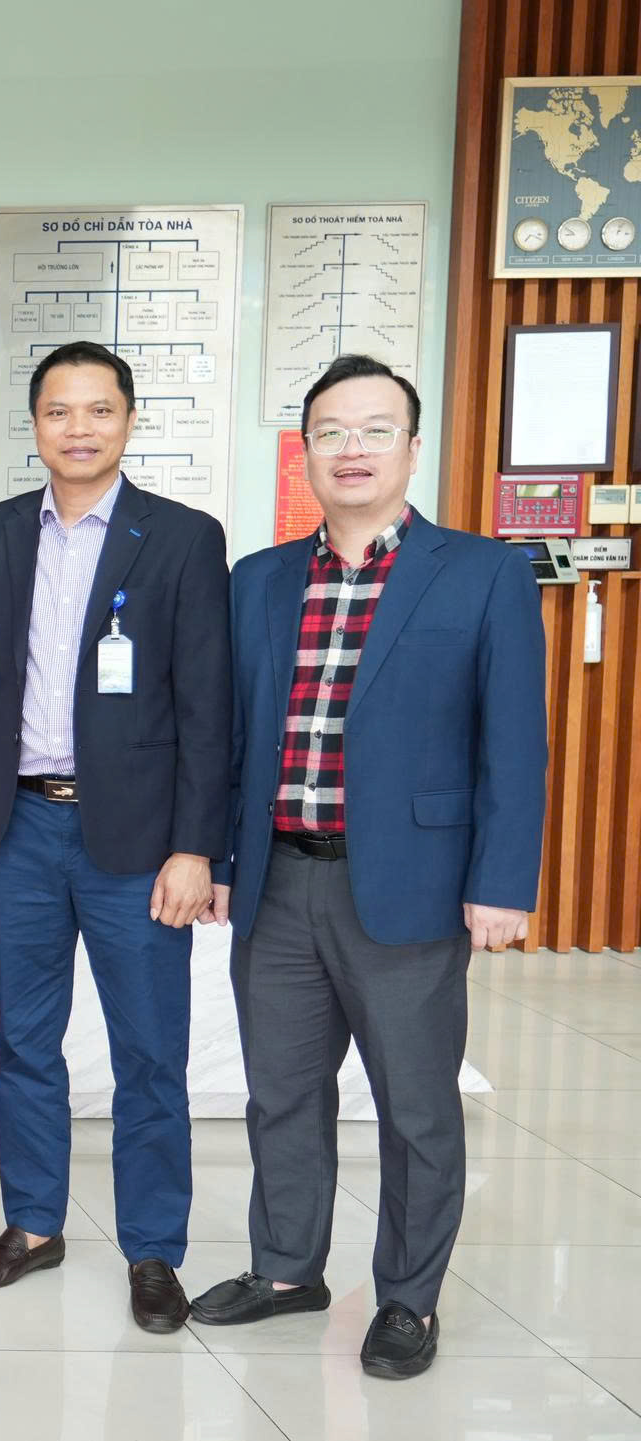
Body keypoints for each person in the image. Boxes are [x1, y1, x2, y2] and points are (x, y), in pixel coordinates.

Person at [187, 355, 546, 1379]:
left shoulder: (481, 573)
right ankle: (286, 1269)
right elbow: (230, 738)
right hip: (278, 878)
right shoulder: (258, 578)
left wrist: (502, 880)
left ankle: (408, 1298)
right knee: (281, 1094)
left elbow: (514, 742)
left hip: (411, 884)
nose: (352, 449)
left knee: (415, 1106)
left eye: (375, 429)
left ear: (412, 448)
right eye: (331, 432)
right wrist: (222, 856)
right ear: (303, 451)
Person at [0, 341, 230, 1333]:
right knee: (24, 1040)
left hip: (139, 843)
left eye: (98, 410)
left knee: (148, 1050)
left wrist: (195, 846)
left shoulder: (181, 537)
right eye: (59, 410)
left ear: (129, 421)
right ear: (34, 425)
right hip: (16, 826)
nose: (78, 427)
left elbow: (208, 704)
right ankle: (33, 1224)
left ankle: (153, 1248)